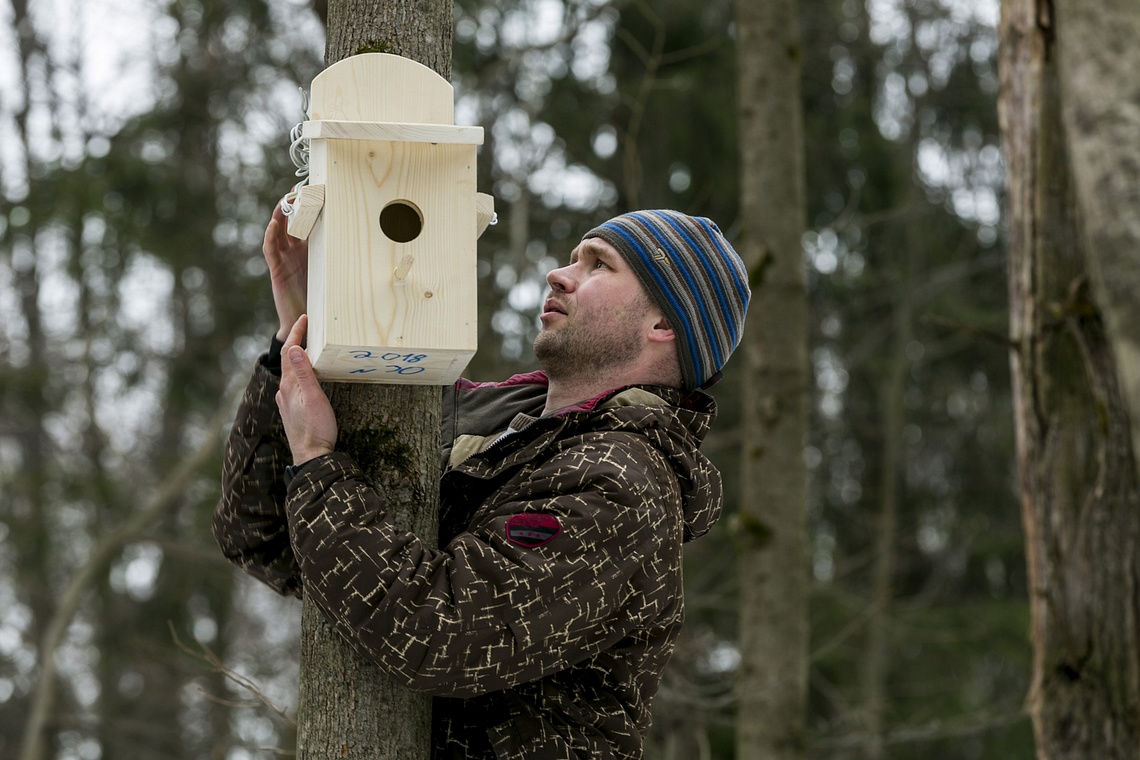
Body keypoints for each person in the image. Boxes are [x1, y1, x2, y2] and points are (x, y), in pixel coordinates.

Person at [213, 203, 750, 759]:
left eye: (599, 266)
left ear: (662, 325)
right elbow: (260, 535)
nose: (559, 274)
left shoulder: (623, 483)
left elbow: (441, 631)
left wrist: (319, 461)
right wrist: (300, 340)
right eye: (574, 259)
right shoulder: (474, 422)